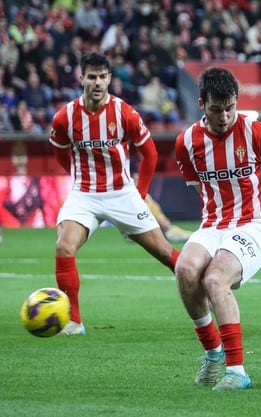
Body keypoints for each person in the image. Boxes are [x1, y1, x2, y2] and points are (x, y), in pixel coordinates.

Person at [49, 53, 181, 336]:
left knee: (164, 252)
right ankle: (74, 322)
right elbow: (60, 154)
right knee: (64, 247)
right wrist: (78, 176)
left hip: (122, 193)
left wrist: (140, 193)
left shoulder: (125, 113)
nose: (97, 82)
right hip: (84, 194)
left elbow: (150, 154)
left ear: (110, 78)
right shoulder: (65, 117)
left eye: (102, 77)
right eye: (92, 77)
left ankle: (206, 290)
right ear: (81, 78)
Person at [173, 67, 261, 391]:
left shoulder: (259, 133)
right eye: (216, 109)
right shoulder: (187, 142)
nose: (224, 116)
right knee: (185, 270)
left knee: (214, 278)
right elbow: (199, 187)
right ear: (201, 104)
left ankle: (237, 371)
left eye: (230, 107)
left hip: (254, 223)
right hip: (214, 222)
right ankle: (213, 354)